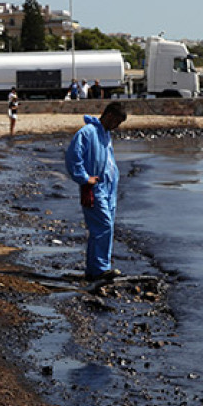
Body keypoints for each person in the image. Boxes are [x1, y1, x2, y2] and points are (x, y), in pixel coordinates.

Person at [65, 102, 128, 280]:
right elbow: (73, 157)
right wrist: (85, 179)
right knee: (103, 225)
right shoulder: (87, 133)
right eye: (117, 122)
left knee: (102, 228)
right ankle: (101, 268)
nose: (117, 127)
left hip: (109, 189)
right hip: (95, 188)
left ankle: (95, 269)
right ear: (109, 116)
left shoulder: (106, 135)